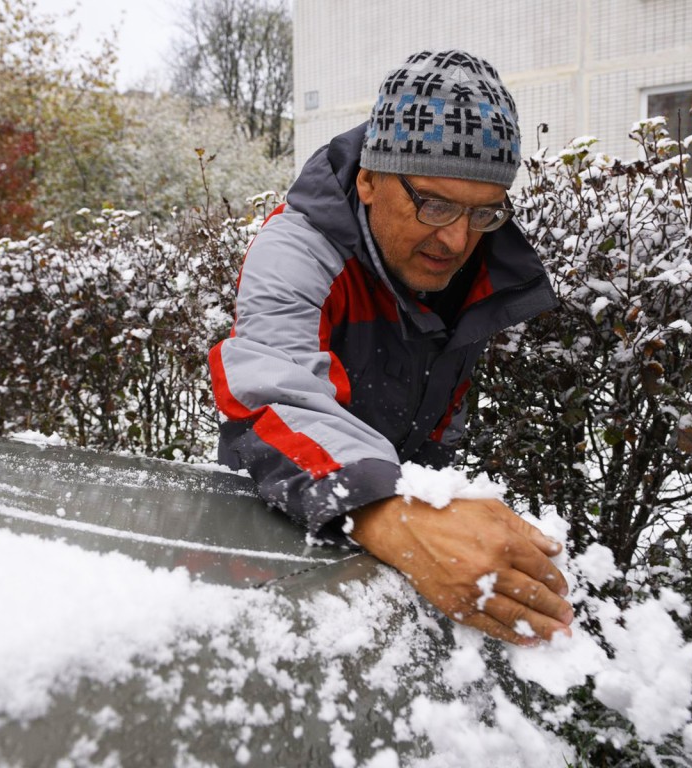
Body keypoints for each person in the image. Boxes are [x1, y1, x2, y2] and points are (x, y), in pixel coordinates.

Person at [210, 49, 573, 646]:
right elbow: (274, 397)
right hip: (283, 528)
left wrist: (440, 506)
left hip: (390, 531)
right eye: (433, 203)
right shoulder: (297, 252)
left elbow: (439, 412)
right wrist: (397, 512)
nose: (456, 240)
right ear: (370, 179)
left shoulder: (470, 257)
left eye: (483, 212)